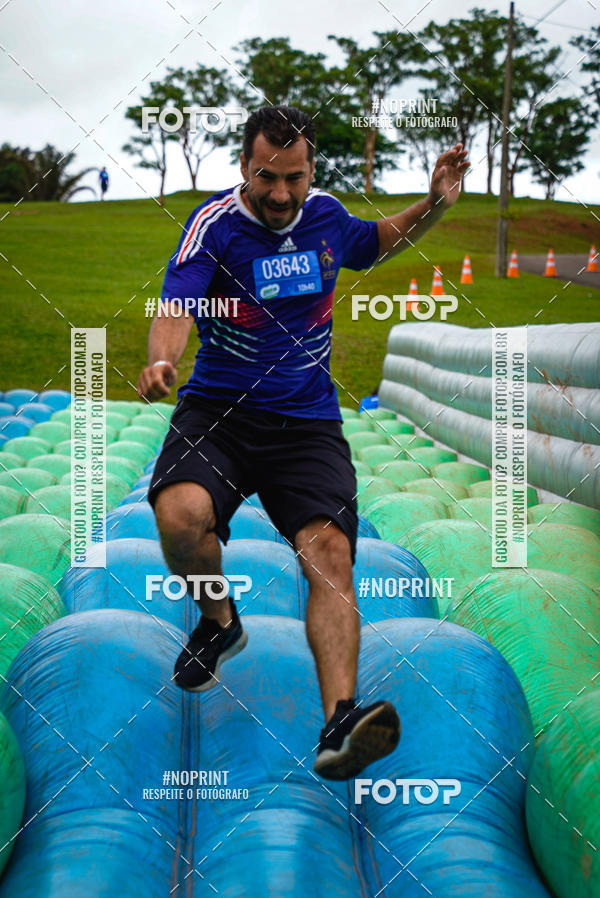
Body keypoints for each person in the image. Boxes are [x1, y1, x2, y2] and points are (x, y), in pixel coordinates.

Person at [137, 105, 469, 781]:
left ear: (311, 169)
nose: (282, 194)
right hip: (220, 411)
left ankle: (341, 722)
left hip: (307, 421)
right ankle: (219, 619)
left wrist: (434, 203)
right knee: (179, 516)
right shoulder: (214, 226)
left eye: (294, 177)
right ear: (244, 168)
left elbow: (377, 242)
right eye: (267, 178)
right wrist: (162, 360)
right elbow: (176, 305)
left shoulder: (324, 217)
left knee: (331, 552)